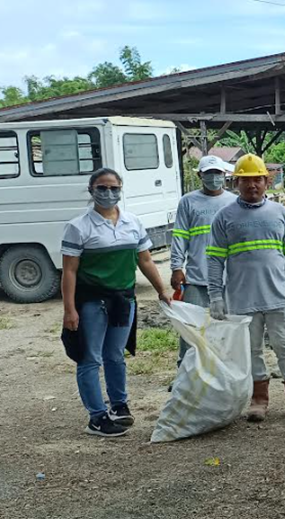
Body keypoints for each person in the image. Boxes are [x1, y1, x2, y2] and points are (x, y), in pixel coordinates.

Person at [207, 153, 285, 423]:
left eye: (257, 179)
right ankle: (259, 400)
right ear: (236, 183)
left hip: (278, 296)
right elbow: (214, 259)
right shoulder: (224, 217)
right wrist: (215, 296)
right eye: (245, 180)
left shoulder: (281, 214)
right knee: (252, 350)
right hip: (242, 298)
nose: (252, 185)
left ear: (267, 182)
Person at [61, 168, 172, 437]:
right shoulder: (78, 227)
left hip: (123, 299)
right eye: (102, 188)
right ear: (91, 191)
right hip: (92, 302)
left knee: (115, 355)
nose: (108, 193)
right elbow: (70, 271)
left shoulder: (132, 222)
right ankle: (97, 417)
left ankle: (119, 405)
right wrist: (69, 310)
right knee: (90, 357)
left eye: (114, 188)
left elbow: (145, 260)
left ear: (121, 190)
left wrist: (162, 290)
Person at [170, 155, 236, 369]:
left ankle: (220, 370)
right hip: (197, 277)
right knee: (190, 327)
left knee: (224, 328)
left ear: (224, 175)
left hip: (229, 279)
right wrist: (176, 267)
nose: (214, 178)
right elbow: (180, 235)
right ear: (200, 175)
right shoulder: (188, 201)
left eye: (217, 173)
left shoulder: (234, 201)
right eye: (209, 174)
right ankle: (186, 371)